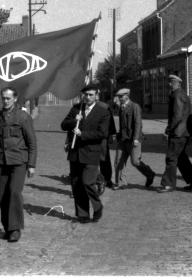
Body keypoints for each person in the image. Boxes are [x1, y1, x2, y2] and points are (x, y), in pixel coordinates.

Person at [0, 87, 37, 242]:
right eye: (3, 98)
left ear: (15, 99)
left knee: (14, 192)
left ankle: (15, 229)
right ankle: (7, 227)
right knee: (2, 196)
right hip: (2, 161)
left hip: (18, 161)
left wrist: (31, 164)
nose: (5, 101)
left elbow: (32, 142)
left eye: (8, 98)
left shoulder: (23, 117)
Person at [61, 84, 110, 223]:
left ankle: (97, 206)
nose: (88, 97)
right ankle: (82, 214)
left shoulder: (103, 111)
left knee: (88, 182)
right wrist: (73, 121)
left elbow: (103, 133)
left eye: (91, 95)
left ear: (96, 95)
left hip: (91, 153)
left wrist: (83, 134)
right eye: (86, 95)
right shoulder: (77, 108)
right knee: (76, 184)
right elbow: (63, 125)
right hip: (75, 152)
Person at [159, 74, 192, 193]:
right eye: (169, 82)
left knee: (171, 158)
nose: (169, 84)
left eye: (171, 82)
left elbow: (176, 116)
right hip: (184, 132)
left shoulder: (176, 95)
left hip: (177, 133)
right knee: (181, 157)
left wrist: (168, 130)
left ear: (177, 83)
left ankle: (169, 184)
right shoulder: (183, 94)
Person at [113, 88, 156, 189]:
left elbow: (138, 123)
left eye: (122, 96)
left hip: (133, 139)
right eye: (119, 97)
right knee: (118, 161)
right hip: (123, 139)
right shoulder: (121, 108)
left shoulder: (135, 106)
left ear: (127, 95)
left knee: (135, 161)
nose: (120, 98)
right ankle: (120, 182)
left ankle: (150, 174)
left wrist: (136, 138)